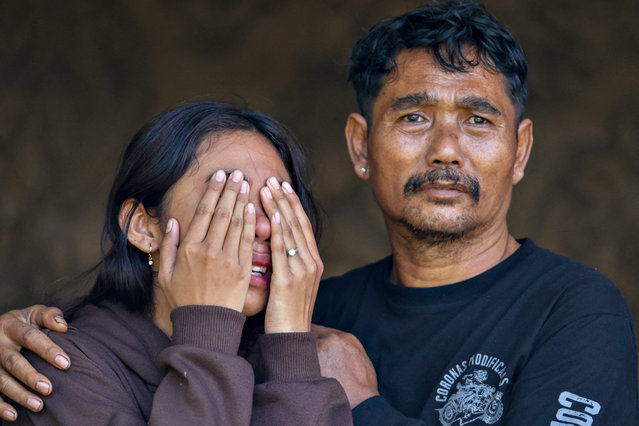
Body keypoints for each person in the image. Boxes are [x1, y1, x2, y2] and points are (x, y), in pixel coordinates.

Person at [0, 1, 637, 425]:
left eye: (478, 120)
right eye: (413, 117)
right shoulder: (298, 314)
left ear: (520, 151)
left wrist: (364, 408)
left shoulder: (576, 309)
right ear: (361, 146)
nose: (446, 149)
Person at [0, 101, 351, 424]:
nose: (262, 227)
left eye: (278, 202)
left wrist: (290, 345)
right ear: (143, 227)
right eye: (229, 197)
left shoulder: (305, 359)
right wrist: (209, 329)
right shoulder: (59, 366)